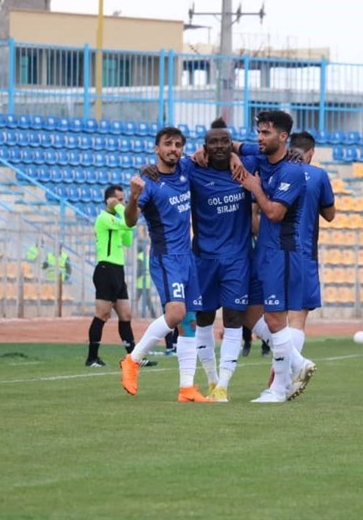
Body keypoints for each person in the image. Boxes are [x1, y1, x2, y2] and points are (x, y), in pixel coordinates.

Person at [120, 126, 208, 402]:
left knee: (190, 323)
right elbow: (130, 221)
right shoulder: (148, 183)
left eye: (178, 145)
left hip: (187, 257)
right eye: (168, 144)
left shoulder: (186, 169)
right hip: (166, 257)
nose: (173, 149)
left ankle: (186, 388)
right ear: (156, 149)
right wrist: (134, 196)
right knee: (176, 313)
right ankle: (133, 359)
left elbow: (211, 151)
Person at [237, 110, 317, 403]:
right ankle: (298, 361)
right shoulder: (260, 155)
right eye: (258, 132)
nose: (260, 137)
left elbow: (274, 213)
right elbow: (233, 147)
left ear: (283, 137)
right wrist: (226, 154)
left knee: (275, 318)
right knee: (247, 311)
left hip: (282, 253)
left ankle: (278, 388)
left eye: (266, 133)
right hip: (264, 251)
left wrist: (255, 188)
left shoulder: (292, 171)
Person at [187, 118, 258, 403]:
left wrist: (236, 152)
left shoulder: (246, 166)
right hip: (203, 258)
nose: (219, 146)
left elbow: (263, 150)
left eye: (224, 142)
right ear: (204, 146)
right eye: (213, 142)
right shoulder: (194, 169)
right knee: (203, 319)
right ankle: (211, 380)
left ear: (231, 144)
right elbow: (168, 164)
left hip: (237, 258)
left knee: (233, 318)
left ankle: (224, 386)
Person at [86, 184, 156, 368]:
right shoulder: (104, 218)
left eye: (123, 200)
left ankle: (134, 357)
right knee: (102, 314)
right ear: (109, 200)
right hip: (106, 270)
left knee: (126, 314)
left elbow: (127, 238)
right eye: (119, 200)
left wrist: (126, 218)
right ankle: (92, 357)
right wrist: (121, 210)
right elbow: (126, 222)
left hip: (118, 271)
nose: (122, 203)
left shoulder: (115, 220)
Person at [286, 131, 335, 353]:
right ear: (311, 153)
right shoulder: (318, 175)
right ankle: (288, 368)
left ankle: (281, 364)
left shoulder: (275, 170)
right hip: (303, 252)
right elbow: (330, 215)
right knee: (297, 318)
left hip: (273, 252)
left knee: (275, 317)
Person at [134, 240, 157, 317]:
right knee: (139, 299)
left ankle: (151, 314)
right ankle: (151, 314)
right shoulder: (142, 256)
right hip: (141, 282)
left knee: (145, 300)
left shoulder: (147, 256)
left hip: (145, 282)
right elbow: (139, 269)